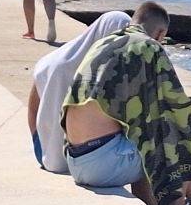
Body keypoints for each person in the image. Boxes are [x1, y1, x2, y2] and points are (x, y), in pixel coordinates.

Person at [62, 2, 191, 205]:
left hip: (77, 160)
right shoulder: (149, 46)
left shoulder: (106, 43)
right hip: (105, 163)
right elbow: (175, 103)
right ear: (161, 33)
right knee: (175, 129)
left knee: (151, 125)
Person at [30, 11, 132, 173]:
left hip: (43, 150)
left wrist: (39, 139)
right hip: (81, 158)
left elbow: (33, 107)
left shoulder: (51, 60)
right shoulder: (100, 72)